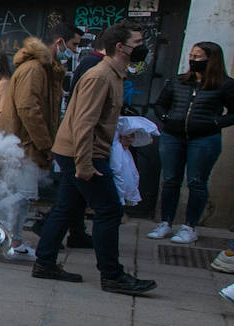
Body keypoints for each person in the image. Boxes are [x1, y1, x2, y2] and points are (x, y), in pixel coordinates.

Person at [31, 25, 156, 294]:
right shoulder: (100, 76)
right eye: (137, 42)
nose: (142, 47)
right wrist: (85, 165)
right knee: (110, 210)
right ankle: (112, 275)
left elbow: (98, 120)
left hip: (80, 151)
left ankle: (45, 262)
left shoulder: (113, 75)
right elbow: (83, 123)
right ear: (120, 47)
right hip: (82, 153)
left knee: (66, 207)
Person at [0, 27, 72, 261]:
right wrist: (45, 143)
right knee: (23, 194)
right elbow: (28, 109)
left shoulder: (41, 70)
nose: (72, 52)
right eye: (72, 45)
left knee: (20, 195)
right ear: (60, 42)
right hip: (24, 144)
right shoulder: (34, 70)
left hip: (23, 142)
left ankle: (14, 240)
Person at [148, 41, 234, 244]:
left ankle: (189, 226)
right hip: (173, 137)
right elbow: (160, 104)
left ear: (210, 60)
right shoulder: (178, 81)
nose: (192, 60)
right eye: (191, 56)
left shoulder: (225, 84)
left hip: (204, 139)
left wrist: (214, 123)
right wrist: (168, 119)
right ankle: (165, 222)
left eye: (198, 57)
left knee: (196, 181)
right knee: (170, 179)